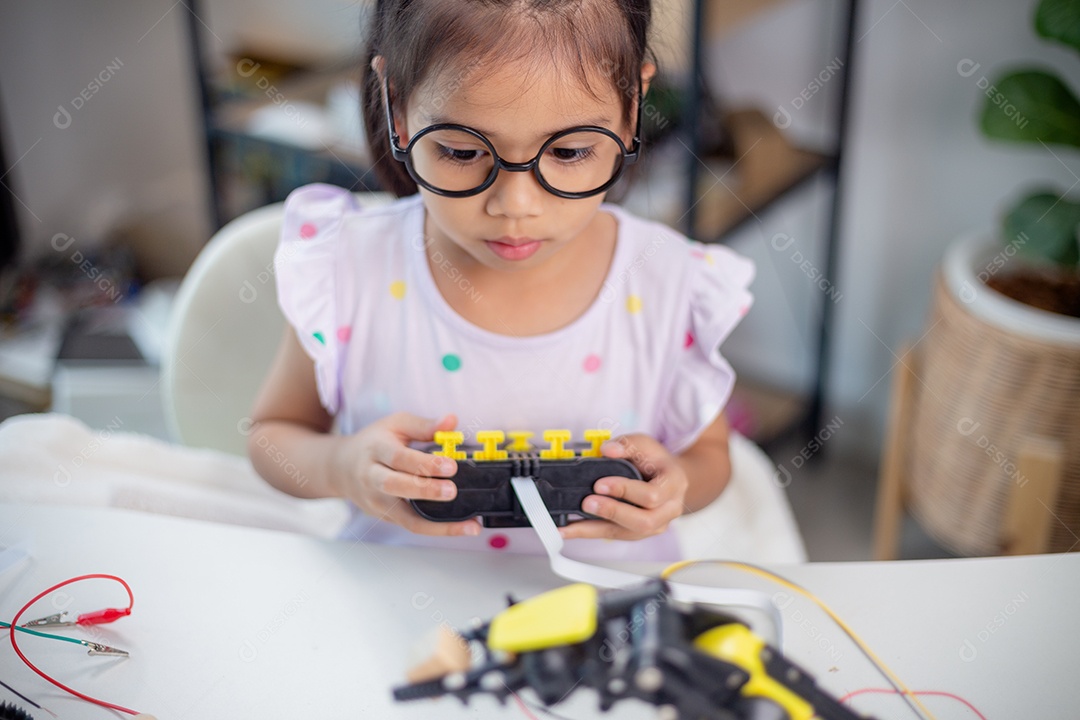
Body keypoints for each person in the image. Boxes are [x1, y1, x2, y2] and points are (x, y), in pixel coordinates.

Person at [247, 0, 755, 561]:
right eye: (462, 151)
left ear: (633, 108)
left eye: (570, 151)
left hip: (609, 607)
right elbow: (272, 435)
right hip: (397, 603)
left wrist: (676, 484)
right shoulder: (351, 268)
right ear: (398, 107)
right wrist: (342, 466)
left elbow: (711, 459)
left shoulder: (666, 281)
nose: (515, 205)